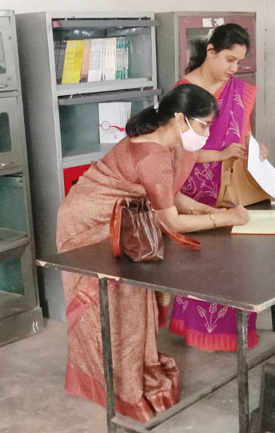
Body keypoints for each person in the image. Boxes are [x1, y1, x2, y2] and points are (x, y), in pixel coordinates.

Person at [56, 84, 249, 422]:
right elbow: (170, 219)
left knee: (126, 303)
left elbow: (165, 195)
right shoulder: (154, 155)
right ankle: (117, 386)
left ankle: (118, 375)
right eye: (203, 125)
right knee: (112, 307)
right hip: (89, 228)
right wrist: (225, 218)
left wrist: (207, 211)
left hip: (113, 220)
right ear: (180, 118)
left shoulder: (160, 141)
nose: (206, 134)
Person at [169, 24, 265, 352]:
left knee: (236, 264)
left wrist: (255, 147)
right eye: (229, 59)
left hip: (232, 186)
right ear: (210, 51)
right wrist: (220, 155)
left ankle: (233, 332)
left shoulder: (238, 90)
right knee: (199, 264)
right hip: (192, 190)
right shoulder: (184, 93)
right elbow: (174, 149)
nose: (234, 68)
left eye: (239, 61)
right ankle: (198, 333)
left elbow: (243, 132)